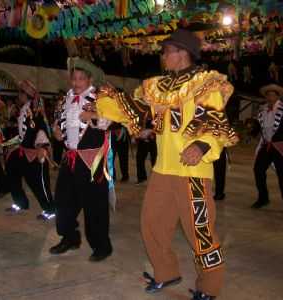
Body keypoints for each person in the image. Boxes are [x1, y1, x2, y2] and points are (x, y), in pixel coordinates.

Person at [97, 30, 238, 299]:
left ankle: (210, 286)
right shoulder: (157, 86)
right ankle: (166, 272)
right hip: (163, 169)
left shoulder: (206, 83)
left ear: (181, 52)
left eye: (166, 51)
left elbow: (214, 121)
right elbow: (135, 109)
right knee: (151, 224)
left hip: (193, 172)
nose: (162, 56)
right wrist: (104, 105)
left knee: (201, 233)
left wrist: (201, 145)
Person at [49, 57, 113, 262]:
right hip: (70, 158)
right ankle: (70, 237)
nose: (76, 83)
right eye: (74, 78)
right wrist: (56, 131)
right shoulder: (66, 98)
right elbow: (59, 121)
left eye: (81, 79)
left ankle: (102, 246)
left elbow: (111, 121)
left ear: (90, 79)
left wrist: (93, 117)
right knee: (62, 202)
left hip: (92, 161)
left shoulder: (101, 98)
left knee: (95, 205)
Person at [3, 80, 55, 220]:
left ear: (26, 95)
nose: (18, 95)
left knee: (39, 183)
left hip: (35, 151)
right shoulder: (25, 108)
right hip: (22, 150)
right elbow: (23, 131)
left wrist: (42, 147)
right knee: (12, 170)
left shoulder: (35, 108)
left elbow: (41, 128)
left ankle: (50, 209)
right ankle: (20, 203)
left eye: (20, 92)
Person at [251, 84, 283, 209]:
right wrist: (252, 132)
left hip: (280, 147)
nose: (270, 97)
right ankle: (263, 198)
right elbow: (260, 127)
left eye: (272, 95)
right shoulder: (262, 110)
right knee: (258, 170)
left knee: (282, 175)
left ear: (277, 96)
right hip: (267, 145)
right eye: (268, 95)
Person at [135, 119, 157, 184]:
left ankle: (156, 179)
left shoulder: (154, 112)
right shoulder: (141, 112)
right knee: (139, 159)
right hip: (142, 140)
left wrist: (151, 133)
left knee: (155, 160)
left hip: (153, 139)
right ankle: (141, 178)